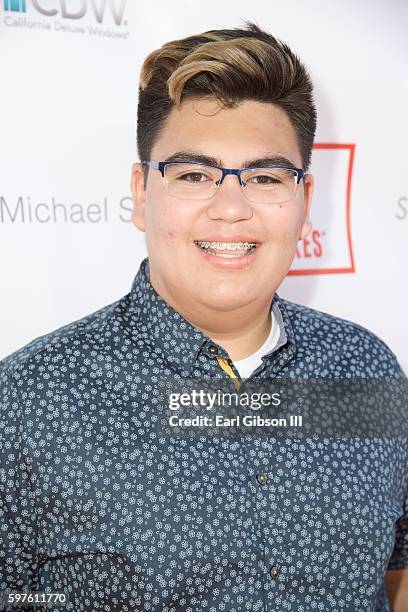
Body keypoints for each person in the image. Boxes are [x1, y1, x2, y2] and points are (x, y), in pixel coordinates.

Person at [1, 21, 407, 612]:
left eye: (267, 177)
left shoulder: (363, 368)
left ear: (304, 202)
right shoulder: (29, 401)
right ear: (141, 194)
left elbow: (396, 569)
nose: (232, 207)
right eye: (194, 175)